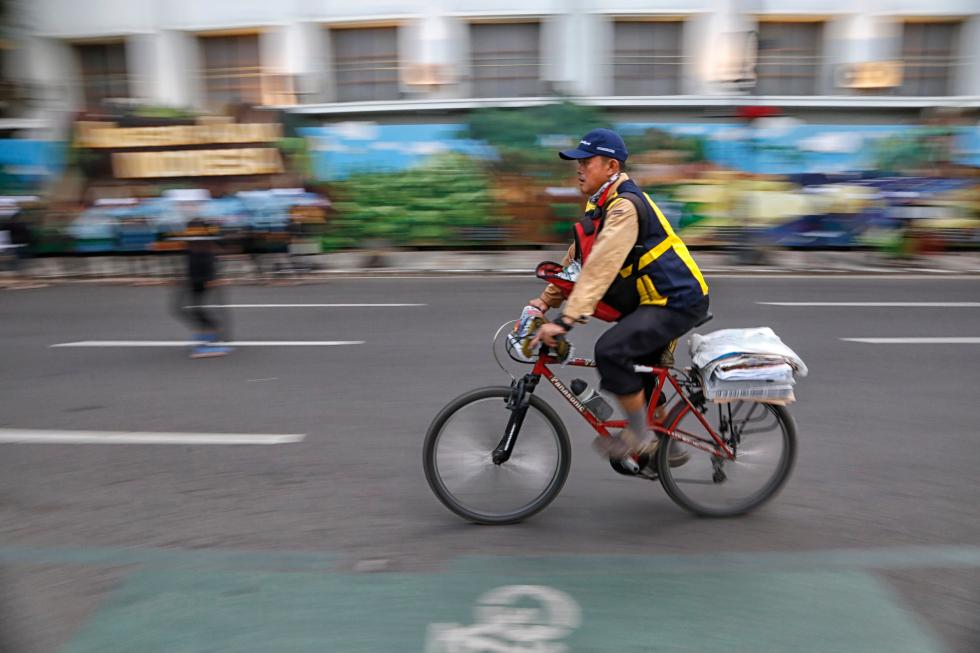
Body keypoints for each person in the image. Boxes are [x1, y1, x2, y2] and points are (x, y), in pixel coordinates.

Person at [530, 128, 709, 459]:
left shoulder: (624, 206)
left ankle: (640, 436)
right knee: (638, 367)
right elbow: (578, 258)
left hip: (675, 299)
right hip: (652, 300)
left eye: (586, 161)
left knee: (611, 351)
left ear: (611, 167)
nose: (579, 168)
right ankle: (668, 449)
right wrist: (543, 301)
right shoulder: (602, 204)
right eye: (577, 162)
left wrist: (565, 321)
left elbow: (600, 265)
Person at [181, 219, 232, 358]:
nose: (192, 233)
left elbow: (213, 256)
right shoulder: (192, 240)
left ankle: (213, 336)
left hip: (203, 278)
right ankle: (209, 333)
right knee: (185, 308)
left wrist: (213, 279)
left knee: (193, 308)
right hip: (195, 278)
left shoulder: (206, 243)